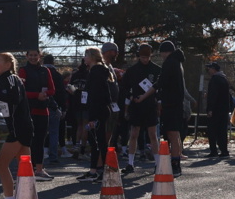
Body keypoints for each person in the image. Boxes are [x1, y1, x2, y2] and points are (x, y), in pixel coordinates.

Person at [0, 52, 34, 199]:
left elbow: (14, 98)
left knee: (1, 165)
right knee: (25, 168)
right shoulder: (2, 81)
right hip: (21, 127)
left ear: (8, 64)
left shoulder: (10, 79)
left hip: (19, 129)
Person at [120, 43, 162, 175]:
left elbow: (161, 87)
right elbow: (124, 87)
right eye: (143, 57)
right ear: (139, 56)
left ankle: (157, 163)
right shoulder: (132, 71)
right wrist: (131, 96)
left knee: (152, 135)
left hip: (150, 105)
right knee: (134, 134)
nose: (145, 59)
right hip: (136, 105)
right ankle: (130, 163)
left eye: (147, 57)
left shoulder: (156, 70)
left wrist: (158, 101)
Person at [76, 47, 115, 183]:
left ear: (92, 57)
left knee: (99, 142)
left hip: (98, 111)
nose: (84, 58)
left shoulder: (96, 72)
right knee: (95, 142)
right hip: (98, 110)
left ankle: (103, 171)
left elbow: (96, 96)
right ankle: (94, 171)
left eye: (86, 55)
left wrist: (93, 117)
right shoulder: (96, 71)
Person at [18, 49, 56, 181]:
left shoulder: (45, 70)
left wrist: (44, 95)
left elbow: (52, 89)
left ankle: (39, 169)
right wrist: (36, 95)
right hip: (29, 110)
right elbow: (21, 91)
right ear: (26, 56)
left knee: (40, 140)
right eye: (31, 55)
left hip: (43, 110)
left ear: (40, 56)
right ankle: (28, 168)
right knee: (28, 141)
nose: (33, 57)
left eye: (35, 55)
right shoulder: (23, 70)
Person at [156, 40, 186, 175]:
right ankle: (176, 161)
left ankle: (175, 165)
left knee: (172, 134)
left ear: (165, 52)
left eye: (161, 53)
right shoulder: (178, 63)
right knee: (176, 134)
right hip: (177, 103)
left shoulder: (170, 63)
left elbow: (161, 82)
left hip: (171, 104)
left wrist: (147, 94)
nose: (161, 56)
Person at [41, 53, 66, 165]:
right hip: (55, 106)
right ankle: (53, 155)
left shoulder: (41, 73)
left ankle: (41, 153)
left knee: (40, 131)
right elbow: (62, 93)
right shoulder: (58, 75)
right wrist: (63, 108)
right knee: (54, 132)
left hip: (41, 104)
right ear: (53, 62)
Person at [205, 61, 232, 159]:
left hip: (215, 109)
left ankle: (213, 150)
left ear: (213, 69)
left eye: (210, 68)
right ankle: (224, 150)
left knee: (212, 130)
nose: (208, 70)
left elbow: (213, 95)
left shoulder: (214, 79)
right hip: (223, 109)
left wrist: (210, 109)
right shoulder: (224, 79)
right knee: (222, 130)